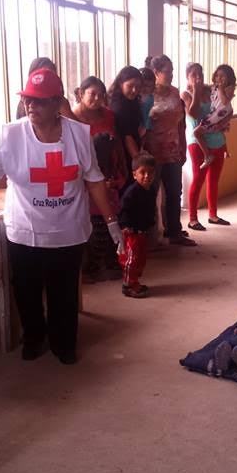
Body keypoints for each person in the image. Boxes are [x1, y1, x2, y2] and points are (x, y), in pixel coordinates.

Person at [0, 68, 121, 365]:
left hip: (68, 230)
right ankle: (34, 337)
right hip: (25, 230)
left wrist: (113, 223)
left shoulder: (78, 134)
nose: (30, 106)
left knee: (64, 292)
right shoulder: (11, 134)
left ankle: (64, 343)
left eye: (39, 101)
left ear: (57, 103)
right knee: (27, 290)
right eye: (27, 100)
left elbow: (94, 178)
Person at [144, 55, 195, 246]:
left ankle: (174, 231)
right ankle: (150, 236)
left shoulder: (175, 93)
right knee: (150, 194)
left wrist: (182, 148)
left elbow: (181, 124)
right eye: (167, 71)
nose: (171, 75)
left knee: (175, 192)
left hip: (173, 151)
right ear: (156, 73)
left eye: (173, 71)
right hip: (152, 154)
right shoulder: (147, 94)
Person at [184, 63, 232, 231]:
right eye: (193, 75)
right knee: (198, 179)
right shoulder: (186, 94)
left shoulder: (211, 89)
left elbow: (225, 108)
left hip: (217, 140)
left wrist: (225, 124)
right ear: (187, 78)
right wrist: (196, 91)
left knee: (214, 180)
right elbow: (194, 113)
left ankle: (213, 215)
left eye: (200, 73)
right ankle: (192, 219)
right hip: (197, 143)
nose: (198, 77)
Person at [83, 132, 125, 283]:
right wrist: (104, 186)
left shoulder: (113, 167)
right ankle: (92, 269)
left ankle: (110, 265)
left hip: (113, 209)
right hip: (96, 211)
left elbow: (122, 179)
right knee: (97, 242)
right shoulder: (92, 168)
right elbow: (89, 187)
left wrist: (114, 184)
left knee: (112, 240)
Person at [118, 151, 158, 298]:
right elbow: (123, 210)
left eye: (151, 173)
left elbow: (150, 209)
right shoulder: (131, 193)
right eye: (143, 172)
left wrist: (150, 223)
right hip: (132, 233)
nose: (147, 176)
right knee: (131, 259)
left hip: (143, 232)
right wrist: (125, 226)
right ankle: (127, 285)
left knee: (141, 258)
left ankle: (135, 281)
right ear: (135, 174)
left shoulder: (152, 190)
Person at [108, 66, 144, 168]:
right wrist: (139, 163)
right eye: (130, 86)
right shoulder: (119, 106)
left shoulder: (131, 101)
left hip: (131, 150)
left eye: (138, 86)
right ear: (120, 84)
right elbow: (127, 136)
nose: (134, 90)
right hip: (123, 154)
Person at [138, 65, 156, 140]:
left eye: (149, 86)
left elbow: (149, 113)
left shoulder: (150, 98)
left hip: (146, 125)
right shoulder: (135, 97)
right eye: (143, 85)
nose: (145, 88)